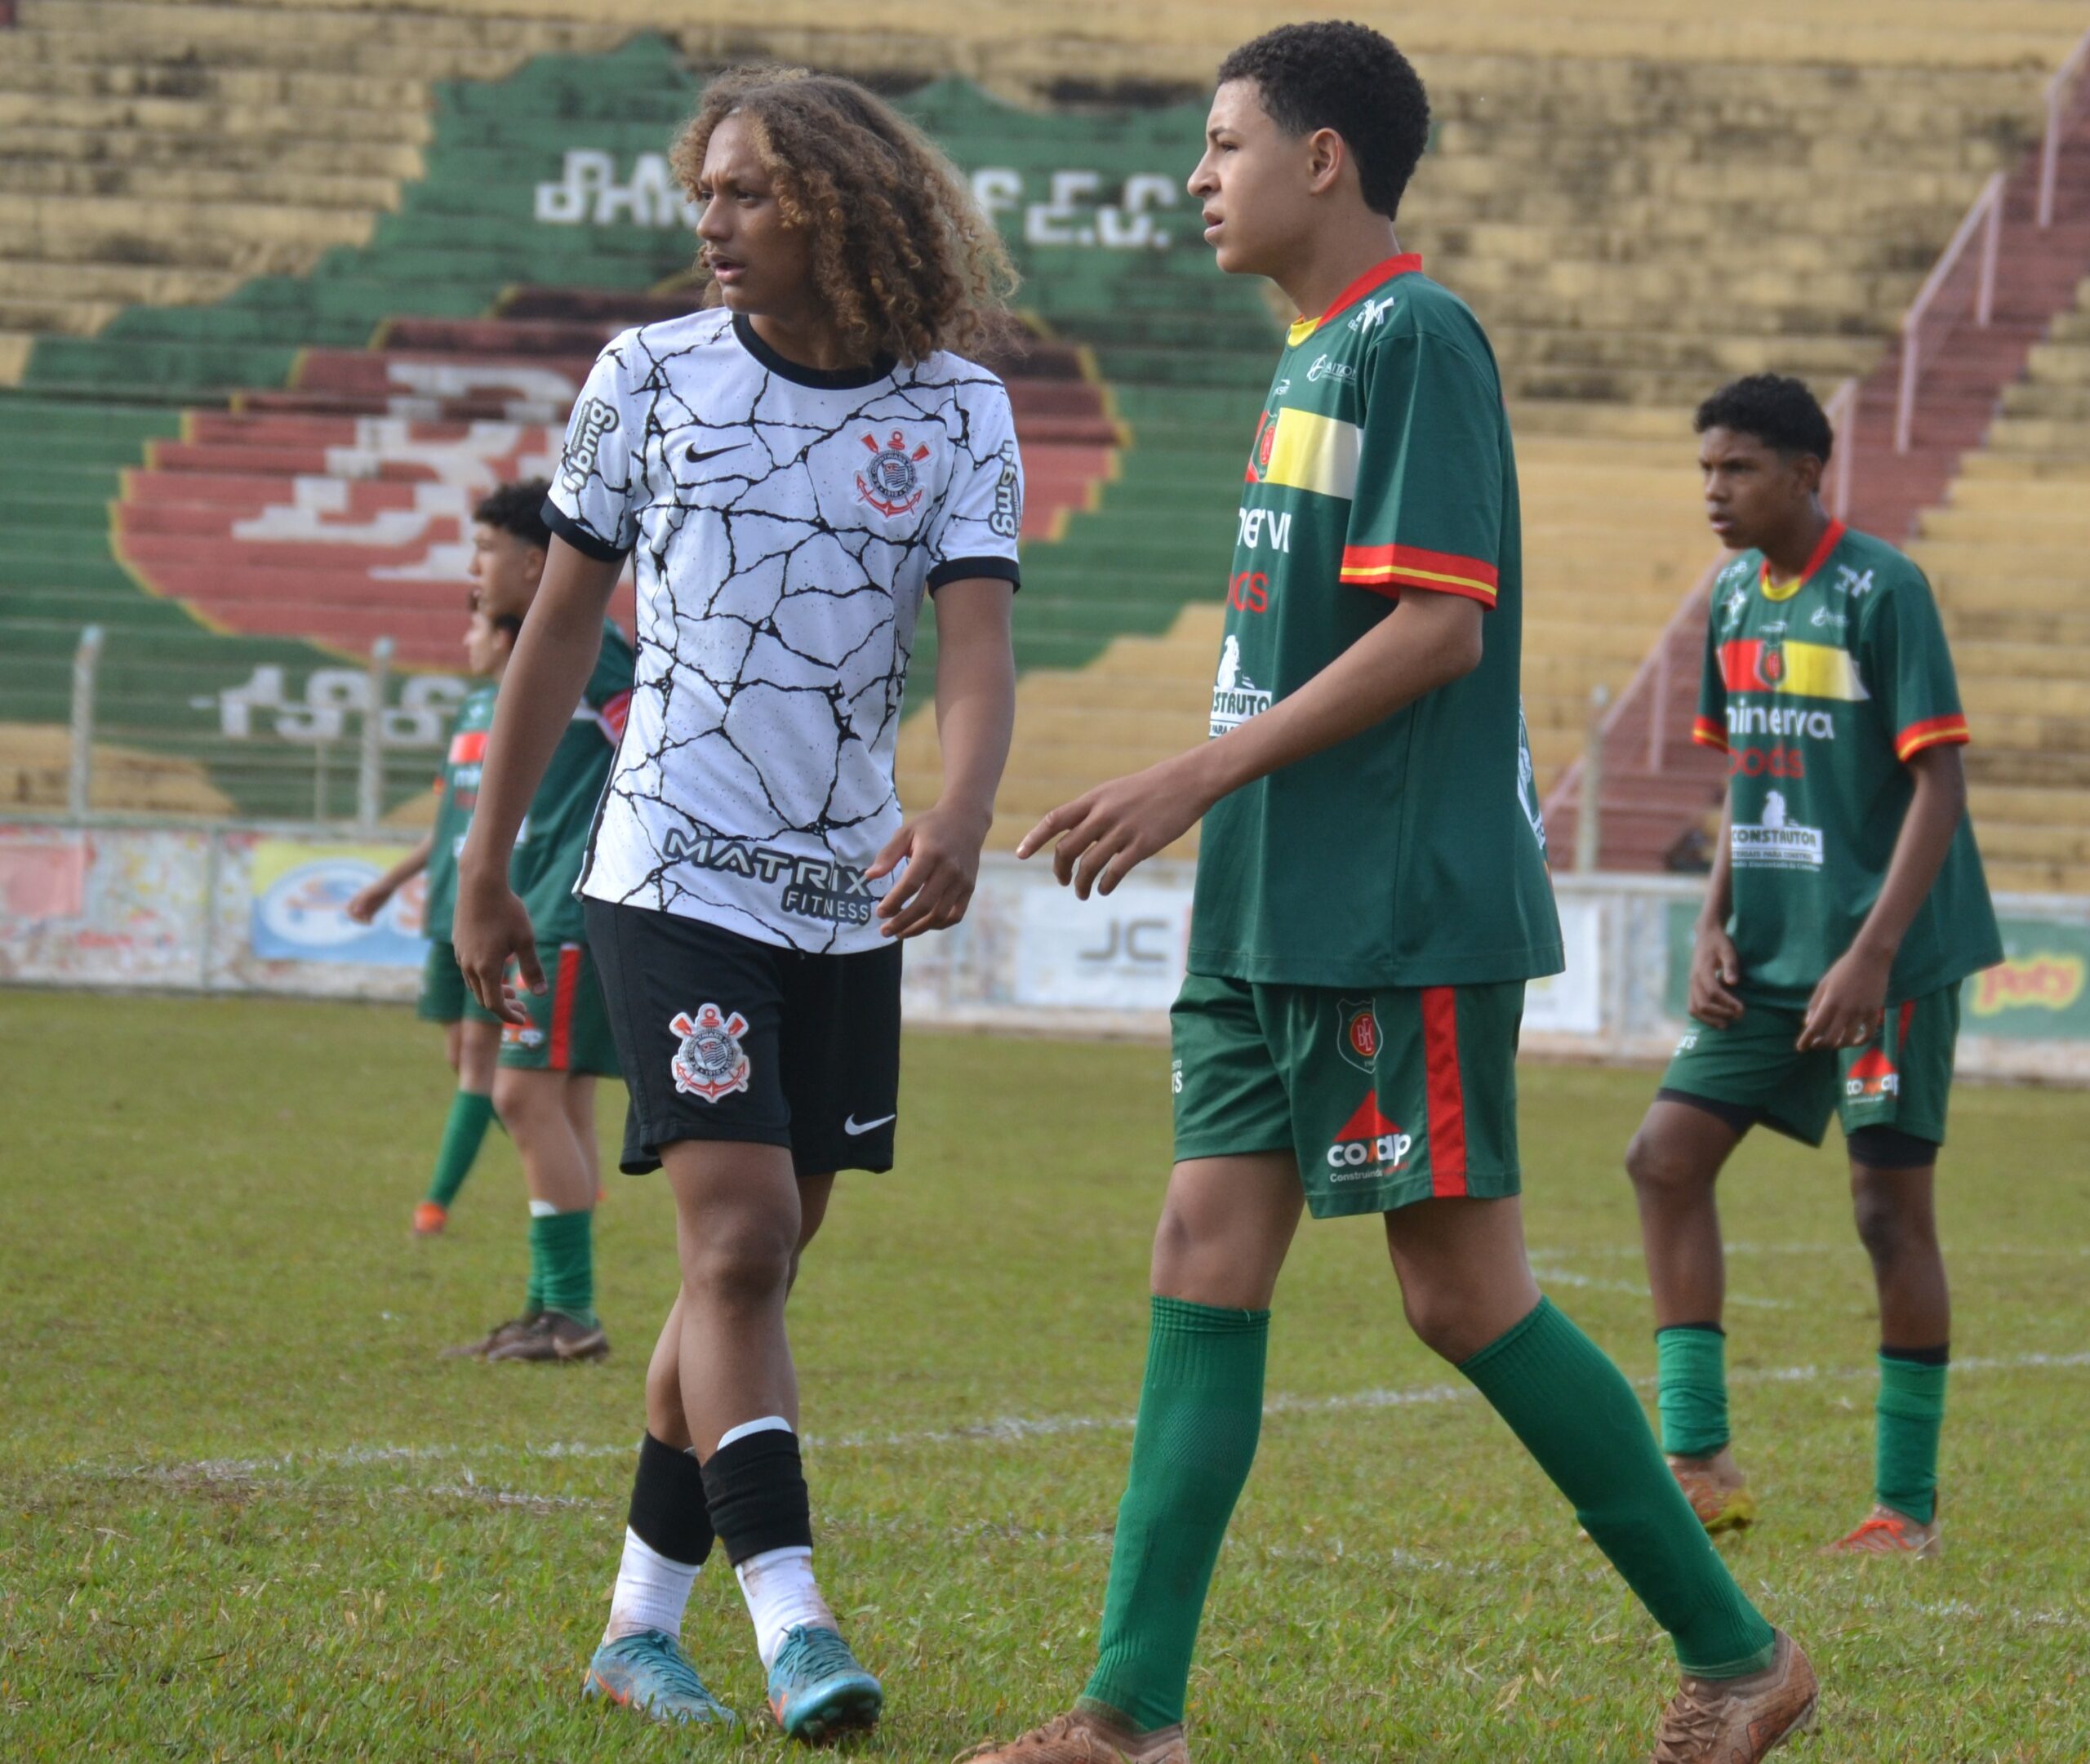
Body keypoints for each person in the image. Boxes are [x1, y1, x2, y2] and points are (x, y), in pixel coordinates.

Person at [965, 26, 1814, 1764]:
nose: (1196, 178)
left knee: (1456, 1291)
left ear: (1323, 157)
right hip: (1265, 899)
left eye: (1220, 145)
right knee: (1201, 1252)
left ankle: (1739, 1657)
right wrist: (1216, 810)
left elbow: (1440, 629)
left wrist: (1189, 775)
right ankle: (1126, 1718)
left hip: (1387, 899)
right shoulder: (1308, 357)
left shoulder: (1412, 337)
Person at [451, 67, 1022, 1743]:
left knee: (749, 1278)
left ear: (843, 205)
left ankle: (637, 1628)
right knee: (742, 1240)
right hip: (669, 872)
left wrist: (963, 814)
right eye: (704, 190)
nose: (711, 221)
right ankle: (796, 1622)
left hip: (843, 897)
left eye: (751, 191)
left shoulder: (957, 411)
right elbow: (558, 632)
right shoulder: (646, 376)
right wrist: (491, 866)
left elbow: (977, 650)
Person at [1623, 374, 2001, 1557]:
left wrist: (1874, 955)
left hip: (1889, 951)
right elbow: (1748, 777)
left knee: (1888, 1213)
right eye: (1704, 471)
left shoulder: (1883, 589)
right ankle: (1698, 1463)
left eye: (1736, 469)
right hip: (1772, 953)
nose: (1713, 493)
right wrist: (1710, 923)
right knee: (1662, 1159)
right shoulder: (1733, 598)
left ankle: (1907, 1509)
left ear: (1805, 472)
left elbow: (1939, 783)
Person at [430, 480, 634, 1363]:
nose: (474, 570)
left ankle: (573, 1313)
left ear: (535, 560)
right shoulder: (557, 653)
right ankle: (547, 1304)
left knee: (519, 1094)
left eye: (483, 549)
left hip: (572, 904)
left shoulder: (594, 651)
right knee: (564, 1100)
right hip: (552, 898)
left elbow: (650, 749)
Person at [348, 563, 514, 1236]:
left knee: (481, 1063)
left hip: (495, 903)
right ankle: (563, 1152)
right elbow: (451, 820)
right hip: (447, 902)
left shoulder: (532, 705)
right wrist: (391, 880)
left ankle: (435, 1202)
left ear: (504, 638)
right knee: (465, 1062)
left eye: (475, 626)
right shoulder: (471, 710)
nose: (466, 640)